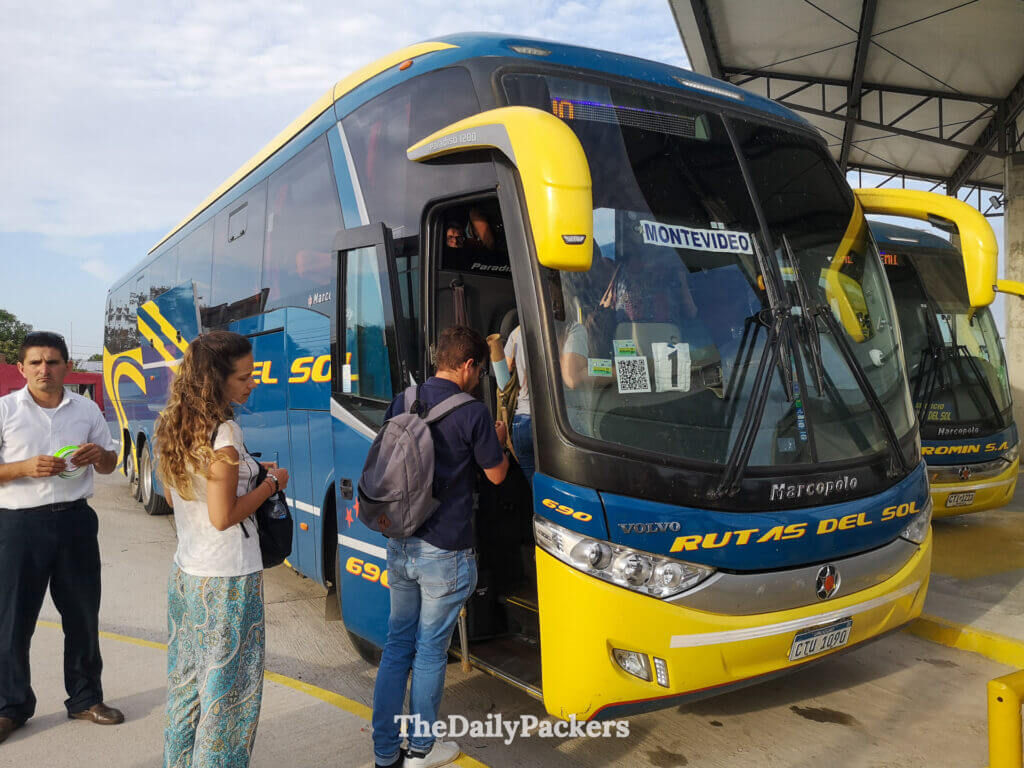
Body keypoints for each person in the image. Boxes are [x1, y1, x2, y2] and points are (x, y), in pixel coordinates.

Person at [371, 326, 508, 768]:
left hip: (401, 541)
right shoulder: (474, 412)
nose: (477, 377)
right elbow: (497, 476)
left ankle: (386, 751)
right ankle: (422, 751)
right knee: (430, 651)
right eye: (478, 370)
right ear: (468, 365)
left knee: (397, 646)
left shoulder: (404, 400)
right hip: (444, 550)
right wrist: (499, 443)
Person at [154, 330, 289, 768]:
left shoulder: (172, 424)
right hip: (228, 581)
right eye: (245, 377)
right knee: (229, 698)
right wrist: (269, 484)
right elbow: (223, 516)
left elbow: (175, 497)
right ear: (216, 380)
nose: (253, 384)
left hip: (187, 575)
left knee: (187, 690)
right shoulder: (225, 431)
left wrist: (246, 472)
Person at [0, 331, 123, 745]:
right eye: (34, 362)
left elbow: (109, 463)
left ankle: (86, 698)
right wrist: (22, 468)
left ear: (66, 366)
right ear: (21, 368)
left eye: (52, 362)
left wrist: (99, 457)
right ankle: (10, 707)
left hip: (75, 523)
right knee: (13, 620)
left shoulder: (85, 409)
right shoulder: (5, 411)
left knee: (83, 616)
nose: (43, 370)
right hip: (19, 526)